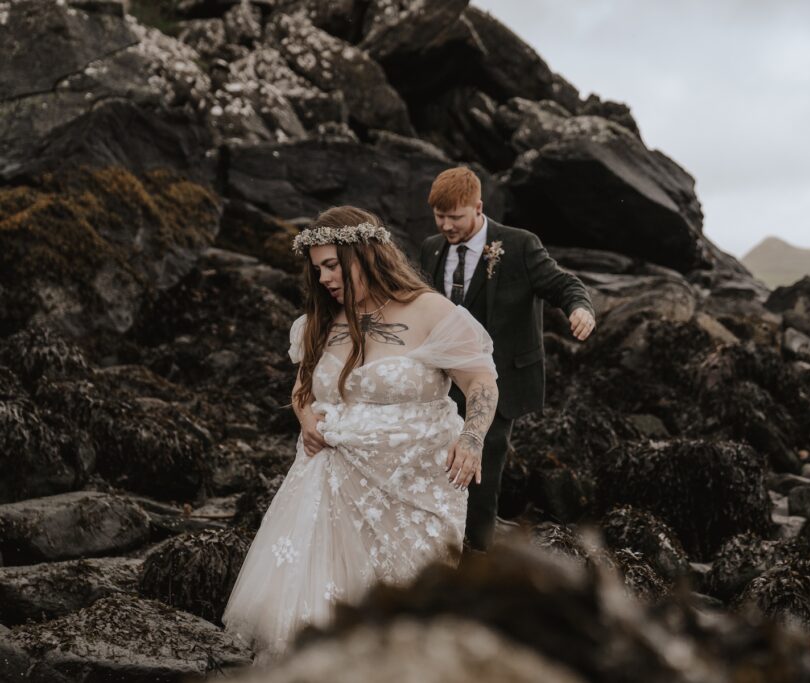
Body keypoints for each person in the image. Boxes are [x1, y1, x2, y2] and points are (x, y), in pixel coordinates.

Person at [222, 205, 498, 663]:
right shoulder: (319, 323)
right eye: (318, 270)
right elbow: (302, 389)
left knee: (406, 615)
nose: (326, 278)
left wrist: (472, 439)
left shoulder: (431, 311)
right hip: (325, 487)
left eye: (333, 265)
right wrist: (306, 418)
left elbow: (480, 382)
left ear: (366, 253)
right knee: (320, 613)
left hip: (415, 489)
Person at [419, 167, 596, 552]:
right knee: (436, 462)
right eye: (440, 216)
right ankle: (437, 544)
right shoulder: (431, 248)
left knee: (482, 469)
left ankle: (477, 554)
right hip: (441, 380)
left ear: (478, 207)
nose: (447, 225)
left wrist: (580, 309)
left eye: (455, 217)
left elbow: (563, 284)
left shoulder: (518, 244)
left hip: (499, 382)